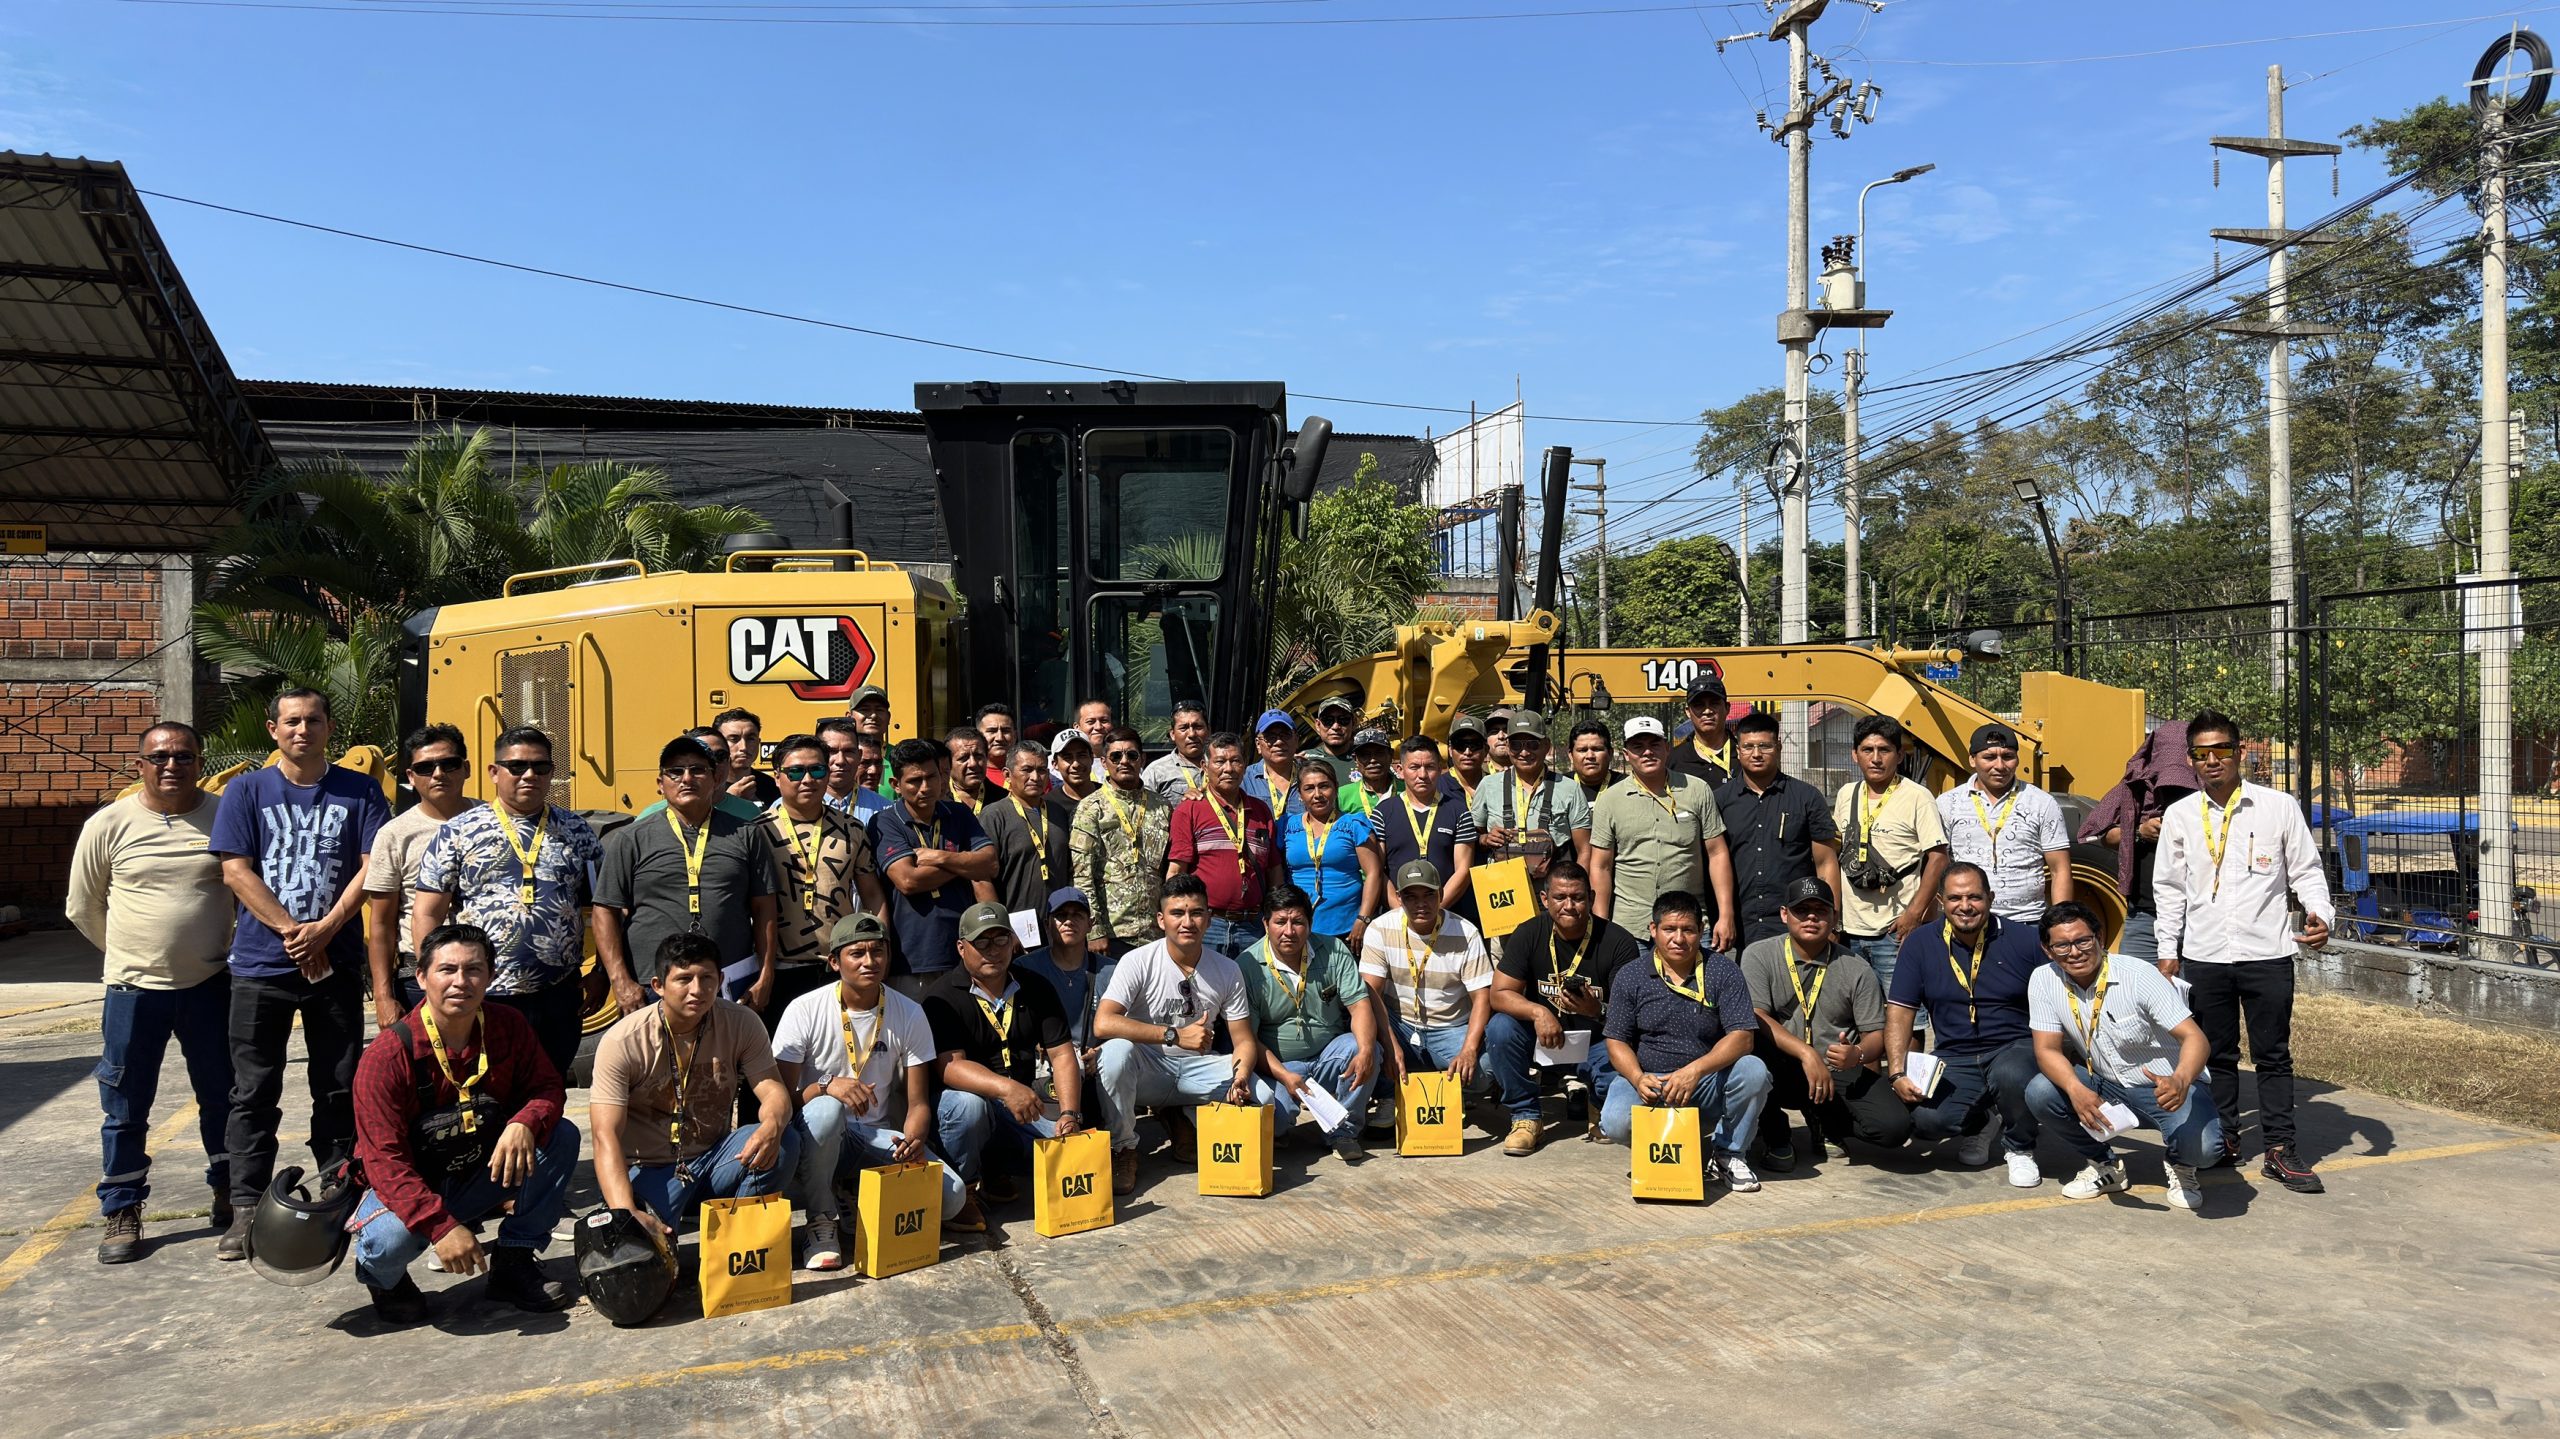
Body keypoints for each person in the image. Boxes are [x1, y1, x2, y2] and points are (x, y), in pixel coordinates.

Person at [209, 687, 388, 1261]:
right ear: (273, 730)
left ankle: (337, 1192)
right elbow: (235, 871)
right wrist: (294, 932)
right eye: (292, 722)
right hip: (261, 967)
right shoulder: (246, 791)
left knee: (337, 1084)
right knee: (252, 1091)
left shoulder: (360, 791)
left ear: (329, 728)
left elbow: (372, 868)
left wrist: (327, 930)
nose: (302, 730)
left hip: (334, 965)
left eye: (313, 720)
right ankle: (245, 1208)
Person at [348, 924, 579, 1323]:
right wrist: (441, 1227)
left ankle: (514, 1259)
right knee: (390, 1243)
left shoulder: (507, 1026)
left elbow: (547, 1086)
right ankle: (383, 1280)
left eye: (473, 970)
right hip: (407, 1183)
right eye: (447, 970)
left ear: (490, 976)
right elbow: (384, 1163)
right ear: (421, 977)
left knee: (559, 1135)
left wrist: (524, 1121)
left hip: (475, 1168)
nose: (461, 982)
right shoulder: (387, 1058)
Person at [68, 720, 235, 1264]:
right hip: (133, 991)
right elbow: (83, 906)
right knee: (124, 1105)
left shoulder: (222, 816)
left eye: (183, 756)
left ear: (199, 763)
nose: (171, 766)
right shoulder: (109, 824)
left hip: (211, 986)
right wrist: (129, 953)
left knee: (224, 1095)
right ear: (139, 764)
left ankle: (228, 1190)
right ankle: (122, 1208)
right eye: (159, 757)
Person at [2154, 708, 2333, 1193]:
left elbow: (2306, 871)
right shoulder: (2180, 815)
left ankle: (2279, 1147)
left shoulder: (2277, 807)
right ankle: (2227, 1137)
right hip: (2205, 955)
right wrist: (2167, 950)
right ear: (2191, 759)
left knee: (2273, 1053)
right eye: (2202, 753)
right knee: (2216, 1054)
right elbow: (2168, 888)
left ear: (2241, 751)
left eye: (2222, 750)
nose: (2213, 761)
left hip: (2267, 952)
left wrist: (2321, 914)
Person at [411, 726, 604, 1082]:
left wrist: (601, 973)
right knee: (487, 1091)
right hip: (485, 995)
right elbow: (428, 912)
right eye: (516, 767)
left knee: (549, 1091)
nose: (529, 775)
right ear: (494, 772)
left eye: (540, 767)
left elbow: (604, 910)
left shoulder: (578, 831)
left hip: (558, 995)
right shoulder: (459, 832)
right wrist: (436, 980)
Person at [776, 912, 967, 1268]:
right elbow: (779, 1102)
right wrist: (826, 1086)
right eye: (857, 953)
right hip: (815, 1136)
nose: (869, 961)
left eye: (878, 951)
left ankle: (851, 1189)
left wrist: (914, 1135)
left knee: (952, 1197)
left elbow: (918, 1103)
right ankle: (821, 1220)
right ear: (835, 961)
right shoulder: (804, 1010)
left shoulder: (908, 1012)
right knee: (827, 1111)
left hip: (874, 1138)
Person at [588, 933, 801, 1237]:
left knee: (784, 1141)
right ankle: (626, 1206)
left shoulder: (742, 1023)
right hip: (649, 1168)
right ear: (658, 986)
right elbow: (604, 1134)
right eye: (684, 979)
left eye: (707, 978)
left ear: (721, 978)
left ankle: (736, 1240)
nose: (697, 990)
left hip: (713, 1159)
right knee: (644, 1256)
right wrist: (626, 1210)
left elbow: (773, 1090)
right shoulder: (623, 1041)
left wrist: (772, 1126)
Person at [2025, 901, 2221, 1210]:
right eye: (2061, 946)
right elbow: (2046, 1050)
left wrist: (2181, 1079)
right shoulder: (2043, 979)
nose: (2074, 952)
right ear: (2048, 950)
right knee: (2040, 1091)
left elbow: (2194, 1037)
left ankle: (2181, 1163)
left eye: (2082, 940)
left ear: (2099, 938)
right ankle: (2105, 1165)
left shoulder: (2138, 975)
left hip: (2164, 1088)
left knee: (2206, 1150)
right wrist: (2076, 1090)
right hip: (2103, 1084)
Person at [1092, 875, 1263, 1195]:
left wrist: (1241, 1076)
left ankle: (1183, 1114)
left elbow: (1243, 1040)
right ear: (1161, 919)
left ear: (1209, 917)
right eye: (1177, 913)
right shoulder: (1137, 961)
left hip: (1198, 1069)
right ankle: (1124, 1148)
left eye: (1196, 913)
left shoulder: (1227, 969)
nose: (1188, 922)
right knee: (1115, 1054)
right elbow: (1103, 1023)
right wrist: (1173, 1035)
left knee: (1262, 1095)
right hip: (1149, 1069)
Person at [1884, 862, 2047, 1187]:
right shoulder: (1919, 944)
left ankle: (2020, 1147)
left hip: (2013, 1047)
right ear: (1941, 901)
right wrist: (1897, 1071)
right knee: (1928, 1122)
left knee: (2011, 1073)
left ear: (1990, 897)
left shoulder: (2026, 939)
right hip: (1954, 1053)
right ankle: (1983, 1121)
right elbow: (1900, 1011)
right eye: (1956, 898)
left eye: (1975, 897)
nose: (1966, 906)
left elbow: (2061, 997)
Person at [1598, 891, 1771, 1191]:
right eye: (1669, 929)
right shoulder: (1631, 975)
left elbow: (1743, 1038)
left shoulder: (1723, 970)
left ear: (1701, 931)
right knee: (1614, 1121)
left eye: (1688, 930)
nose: (1679, 939)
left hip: (1705, 1080)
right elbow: (1616, 1040)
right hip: (1649, 1080)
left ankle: (1730, 1154)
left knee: (1753, 1071)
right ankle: (1676, 1149)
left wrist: (1695, 1071)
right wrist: (1638, 1078)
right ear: (1653, 931)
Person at [594, 736, 779, 1014]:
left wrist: (765, 975)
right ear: (660, 784)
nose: (686, 778)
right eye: (675, 771)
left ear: (716, 778)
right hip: (652, 986)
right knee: (657, 1058)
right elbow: (605, 911)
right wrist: (620, 981)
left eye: (697, 769)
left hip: (728, 982)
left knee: (724, 1058)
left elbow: (764, 908)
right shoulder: (631, 838)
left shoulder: (746, 833)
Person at [925, 903, 1086, 1219]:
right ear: (961, 947)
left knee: (1070, 1150)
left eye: (1000, 940)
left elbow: (1063, 1055)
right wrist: (1006, 1088)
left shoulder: (1035, 985)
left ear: (1013, 941)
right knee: (968, 1108)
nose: (992, 951)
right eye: (981, 942)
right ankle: (965, 1191)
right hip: (968, 1104)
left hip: (1021, 1107)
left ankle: (997, 1170)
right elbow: (950, 1066)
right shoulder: (941, 995)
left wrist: (1069, 1114)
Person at [1739, 877, 1911, 1170]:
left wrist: (1855, 1054)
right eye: (1801, 910)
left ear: (1834, 917)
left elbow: (1875, 1035)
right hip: (1782, 1064)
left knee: (1894, 1128)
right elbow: (1757, 1016)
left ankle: (1824, 1121)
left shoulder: (1856, 967)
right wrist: (1806, 1053)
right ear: (1784, 914)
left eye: (1820, 911)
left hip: (1835, 1069)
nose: (1810, 917)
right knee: (1749, 1053)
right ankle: (1776, 1136)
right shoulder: (1759, 954)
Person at [1484, 859, 1640, 1154]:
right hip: (1543, 1039)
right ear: (1544, 899)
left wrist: (1597, 1010)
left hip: (1595, 1042)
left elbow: (1631, 1016)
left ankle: (1598, 1106)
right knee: (1500, 1028)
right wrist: (1538, 1011)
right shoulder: (1529, 932)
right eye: (1560, 897)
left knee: (1624, 1055)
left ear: (1591, 898)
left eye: (1578, 897)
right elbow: (1499, 993)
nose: (1569, 905)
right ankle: (1525, 1117)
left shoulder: (1619, 942)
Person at [1240, 885, 1380, 1162]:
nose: (1289, 931)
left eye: (1298, 922)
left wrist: (1365, 1051)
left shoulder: (1334, 950)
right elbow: (1247, 1038)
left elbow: (1360, 1006)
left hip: (1329, 1055)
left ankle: (1343, 1131)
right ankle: (1281, 1126)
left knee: (1365, 1049)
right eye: (1280, 922)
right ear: (1265, 924)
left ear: (1310, 923)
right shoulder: (1247, 965)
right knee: (1277, 1120)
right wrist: (1283, 1075)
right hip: (1281, 1065)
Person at [759, 733, 884, 1020]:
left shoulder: (852, 828)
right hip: (780, 968)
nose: (807, 779)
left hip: (840, 964)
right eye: (795, 771)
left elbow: (873, 895)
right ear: (777, 777)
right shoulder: (757, 832)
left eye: (817, 770)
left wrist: (879, 950)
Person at [1361, 859, 1494, 1121]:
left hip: (1450, 1027)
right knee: (1363, 1044)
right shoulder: (1379, 928)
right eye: (1411, 897)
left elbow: (1482, 998)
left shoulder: (1466, 932)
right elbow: (1370, 994)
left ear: (1441, 894)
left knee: (1485, 1071)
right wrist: (1389, 1044)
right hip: (1399, 1024)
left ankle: (1452, 1091)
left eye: (1429, 895)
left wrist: (1468, 1049)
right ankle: (1390, 1095)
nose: (1421, 904)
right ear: (1398, 898)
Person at [1589, 716, 1737, 952]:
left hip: (1689, 925)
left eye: (1654, 744)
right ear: (1626, 754)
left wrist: (1726, 914)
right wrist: (1600, 924)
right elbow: (1600, 866)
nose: (1647, 752)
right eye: (1638, 746)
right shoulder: (1609, 800)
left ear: (1667, 748)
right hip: (1631, 928)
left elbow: (1717, 853)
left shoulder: (1697, 790)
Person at [364, 724, 476, 1029]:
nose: (438, 773)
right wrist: (384, 997)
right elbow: (381, 924)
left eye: (448, 764)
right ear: (411, 778)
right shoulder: (395, 835)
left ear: (466, 768)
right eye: (425, 767)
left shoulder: (493, 821)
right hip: (422, 976)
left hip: (489, 974)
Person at [1833, 715, 1948, 1012]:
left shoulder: (1917, 797)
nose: (1875, 758)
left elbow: (1937, 857)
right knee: (1862, 1015)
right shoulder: (1847, 794)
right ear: (1854, 754)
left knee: (1905, 1011)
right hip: (1851, 929)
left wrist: (1914, 914)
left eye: (1884, 750)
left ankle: (1905, 1062)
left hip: (1895, 930)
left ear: (1899, 755)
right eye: (1868, 750)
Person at [869, 736, 1000, 993]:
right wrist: (964, 863)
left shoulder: (959, 813)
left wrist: (940, 857)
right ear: (896, 784)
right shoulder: (885, 822)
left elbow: (990, 865)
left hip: (964, 951)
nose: (926, 787)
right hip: (912, 957)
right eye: (915, 781)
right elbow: (908, 881)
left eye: (931, 777)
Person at [1714, 710, 1841, 949]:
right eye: (1749, 746)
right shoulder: (1720, 800)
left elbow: (1826, 863)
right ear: (1738, 750)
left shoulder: (1806, 798)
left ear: (1779, 747)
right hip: (1737, 926)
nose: (1757, 754)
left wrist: (1832, 923)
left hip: (1794, 925)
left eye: (1765, 746)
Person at [2077, 721, 2196, 964]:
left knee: (2196, 999)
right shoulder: (2135, 787)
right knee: (2138, 992)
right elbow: (2105, 835)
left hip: (2198, 917)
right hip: (2144, 915)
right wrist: (2140, 831)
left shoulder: (2210, 793)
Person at [1938, 723, 2073, 924]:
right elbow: (1938, 866)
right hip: (1968, 922)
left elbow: (2060, 868)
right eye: (1989, 757)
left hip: (2027, 920)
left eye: (2008, 756)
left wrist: (2061, 922)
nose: (2000, 766)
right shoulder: (1947, 803)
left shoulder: (2041, 802)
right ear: (1972, 759)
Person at [1166, 731, 1279, 957]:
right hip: (1208, 926)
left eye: (1235, 760)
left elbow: (1274, 872)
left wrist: (1274, 915)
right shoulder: (1189, 809)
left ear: (1245, 765)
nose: (1228, 769)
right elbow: (1177, 872)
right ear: (1204, 766)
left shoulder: (1261, 811)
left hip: (1253, 926)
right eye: (1220, 761)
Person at [1074, 727, 1173, 963]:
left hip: (1155, 931)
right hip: (1112, 934)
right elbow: (1082, 874)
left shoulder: (1162, 806)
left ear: (1143, 759)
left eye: (1132, 755)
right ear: (1104, 761)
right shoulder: (1091, 807)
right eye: (1116, 756)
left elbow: (1170, 869)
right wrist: (1095, 930)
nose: (1124, 761)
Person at [1469, 710, 1591, 891]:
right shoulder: (1488, 785)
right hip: (1503, 889)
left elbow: (1585, 850)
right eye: (1516, 745)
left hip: (1552, 891)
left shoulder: (1569, 789)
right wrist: (1486, 839)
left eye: (1532, 744)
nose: (1524, 752)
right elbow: (1472, 839)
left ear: (1546, 746)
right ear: (1508, 746)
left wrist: (1574, 891)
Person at [980, 739, 1075, 953]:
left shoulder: (1058, 812)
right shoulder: (994, 815)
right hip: (1015, 931)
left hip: (1059, 926)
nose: (1035, 777)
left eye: (1041, 770)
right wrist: (1001, 927)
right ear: (1007, 775)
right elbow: (981, 878)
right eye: (1027, 770)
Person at [1372, 736, 1478, 925]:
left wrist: (1435, 911)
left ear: (1440, 769)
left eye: (1429, 767)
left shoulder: (1458, 809)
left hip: (1448, 914)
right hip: (1399, 917)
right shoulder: (1383, 811)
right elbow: (1377, 870)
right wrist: (1401, 912)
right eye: (1414, 767)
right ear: (1400, 770)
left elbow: (1464, 869)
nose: (1422, 774)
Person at [1277, 759, 1381, 947]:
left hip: (1347, 926)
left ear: (1336, 788)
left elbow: (1374, 873)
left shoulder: (1354, 824)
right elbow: (1275, 870)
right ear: (1300, 794)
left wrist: (1363, 918)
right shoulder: (1286, 825)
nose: (1317, 794)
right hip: (1296, 926)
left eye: (1324, 786)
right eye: (1309, 788)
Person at [1015, 886, 1101, 1049]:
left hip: (1096, 1058)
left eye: (1077, 915)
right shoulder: (1024, 968)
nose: (1069, 921)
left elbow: (1122, 1023)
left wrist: (1099, 1051)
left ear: (1090, 924)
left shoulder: (1111, 969)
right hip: (1042, 1060)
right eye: (1061, 915)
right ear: (1047, 925)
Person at [642, 729, 764, 822]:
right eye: (703, 757)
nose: (714, 763)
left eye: (720, 756)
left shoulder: (750, 813)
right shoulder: (650, 816)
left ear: (728, 761)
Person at [1669, 674, 1736, 788]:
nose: (1707, 711)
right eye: (1699, 705)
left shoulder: (1746, 755)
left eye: (1714, 703)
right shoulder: (1673, 759)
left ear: (1727, 708)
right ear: (1688, 712)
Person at [1243, 709, 1307, 823]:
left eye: (1285, 735)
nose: (1279, 742)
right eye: (1270, 737)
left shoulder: (1311, 777)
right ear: (1258, 744)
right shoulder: (1244, 779)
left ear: (1296, 740)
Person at [1143, 700, 1210, 807]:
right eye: (1184, 728)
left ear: (1208, 731)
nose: (1192, 734)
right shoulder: (1156, 771)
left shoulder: (1222, 766)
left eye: (1198, 727)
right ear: (1173, 734)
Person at [714, 707, 780, 807]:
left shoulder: (771, 786)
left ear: (759, 742)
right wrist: (729, 800)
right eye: (734, 739)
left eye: (751, 739)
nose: (743, 747)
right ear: (718, 743)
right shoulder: (706, 785)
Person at [816, 717, 870, 816]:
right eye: (831, 751)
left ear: (859, 756)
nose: (840, 761)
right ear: (816, 755)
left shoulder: (881, 809)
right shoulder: (787, 810)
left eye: (848, 751)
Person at [1305, 694, 1363, 786]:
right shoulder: (1304, 760)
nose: (1335, 727)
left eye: (1343, 720)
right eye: (1328, 720)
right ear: (1317, 725)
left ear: (1354, 723)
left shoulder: (1366, 760)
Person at [1567, 719, 1623, 808]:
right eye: (1582, 750)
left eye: (1597, 749)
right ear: (1571, 755)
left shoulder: (1626, 787)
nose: (1590, 756)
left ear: (1610, 753)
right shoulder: (1556, 787)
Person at [1347, 727, 1400, 816]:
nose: (1373, 760)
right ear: (1355, 759)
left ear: (1391, 755)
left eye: (1379, 753)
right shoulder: (1341, 796)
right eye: (1365, 755)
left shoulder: (1409, 790)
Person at [850, 732, 895, 822]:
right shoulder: (824, 805)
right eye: (864, 763)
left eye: (878, 763)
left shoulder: (888, 809)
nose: (873, 771)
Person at [1445, 714, 1493, 800]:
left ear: (1486, 750)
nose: (1467, 752)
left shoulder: (1497, 786)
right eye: (1460, 745)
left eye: (1474, 745)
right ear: (1450, 751)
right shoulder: (1436, 787)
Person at [945, 727, 991, 812]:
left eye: (978, 756)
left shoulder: (1003, 798)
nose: (973, 764)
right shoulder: (937, 800)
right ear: (948, 763)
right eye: (964, 758)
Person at [1050, 730, 1100, 807]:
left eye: (1082, 756)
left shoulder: (1111, 796)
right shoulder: (1048, 805)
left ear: (1092, 759)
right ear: (1055, 764)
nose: (1076, 764)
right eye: (1067, 757)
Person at [974, 704, 1017, 789]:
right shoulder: (969, 773)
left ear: (1015, 736)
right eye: (992, 731)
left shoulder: (1031, 773)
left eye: (1006, 731)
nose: (999, 738)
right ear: (978, 736)